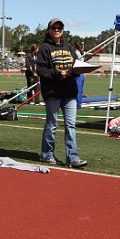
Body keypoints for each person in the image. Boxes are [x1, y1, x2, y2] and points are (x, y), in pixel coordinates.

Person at [36, 18, 87, 168]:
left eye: (60, 27)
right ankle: (47, 155)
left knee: (71, 125)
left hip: (70, 91)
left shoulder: (69, 47)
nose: (57, 30)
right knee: (52, 124)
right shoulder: (44, 48)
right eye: (54, 27)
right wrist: (58, 74)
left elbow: (75, 66)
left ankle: (72, 158)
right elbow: (41, 70)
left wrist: (79, 70)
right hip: (53, 92)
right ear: (49, 29)